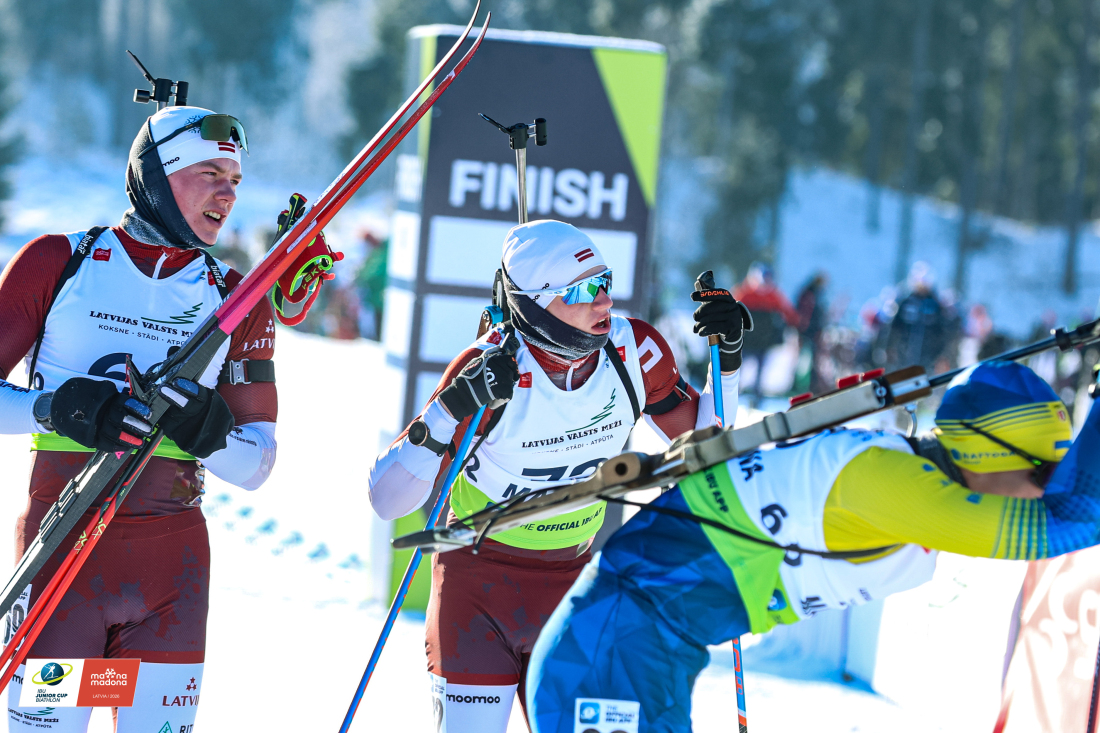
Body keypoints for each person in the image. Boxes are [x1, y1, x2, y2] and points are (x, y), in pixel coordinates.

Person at [526, 360, 1100, 733]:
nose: (1045, 490)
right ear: (988, 454)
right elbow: (1076, 520)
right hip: (612, 653)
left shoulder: (902, 474)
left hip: (635, 650)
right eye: (1044, 472)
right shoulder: (898, 487)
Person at [366, 220, 751, 733]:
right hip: (476, 590)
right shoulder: (490, 369)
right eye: (583, 290)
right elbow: (388, 500)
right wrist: (449, 408)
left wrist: (727, 361)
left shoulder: (634, 351)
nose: (604, 301)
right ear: (535, 303)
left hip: (572, 583)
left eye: (605, 282)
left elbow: (705, 456)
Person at [0, 106, 277, 732]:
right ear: (158, 176)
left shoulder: (237, 297)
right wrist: (56, 408)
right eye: (211, 174)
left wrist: (208, 432)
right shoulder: (59, 261)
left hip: (169, 583)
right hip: (61, 559)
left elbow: (258, 463)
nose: (229, 194)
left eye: (236, 179)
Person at [733, 263, 799, 399]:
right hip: (746, 339)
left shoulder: (773, 295)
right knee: (738, 364)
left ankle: (756, 393)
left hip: (763, 340)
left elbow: (788, 312)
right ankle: (734, 390)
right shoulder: (745, 293)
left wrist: (796, 323)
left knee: (760, 367)